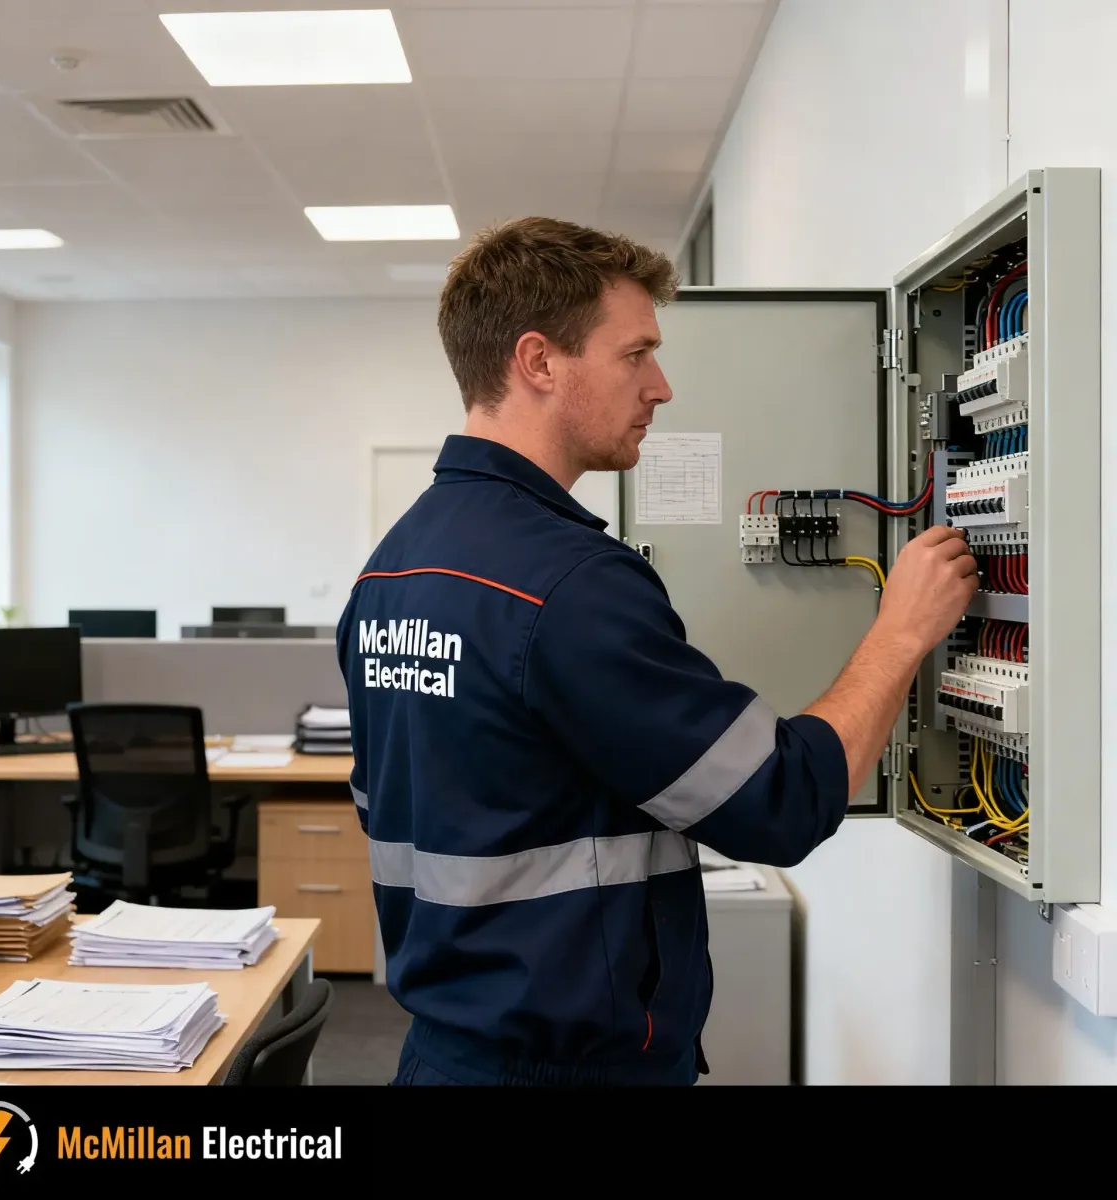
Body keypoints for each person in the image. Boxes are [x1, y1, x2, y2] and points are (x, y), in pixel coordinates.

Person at [335, 216, 977, 1087]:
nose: (662, 385)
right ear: (539, 361)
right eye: (635, 353)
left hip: (444, 1054)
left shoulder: (393, 569)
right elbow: (776, 804)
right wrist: (902, 631)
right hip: (567, 1071)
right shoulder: (566, 585)